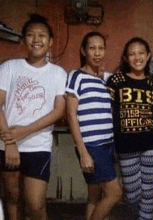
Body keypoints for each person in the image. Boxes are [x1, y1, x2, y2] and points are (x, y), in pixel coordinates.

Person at [0, 14, 67, 220]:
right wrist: (10, 142)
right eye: (30, 35)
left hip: (38, 146)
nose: (36, 39)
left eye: (41, 35)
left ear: (51, 41)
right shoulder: (9, 68)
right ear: (23, 40)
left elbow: (58, 111)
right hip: (7, 145)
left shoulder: (58, 73)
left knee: (35, 205)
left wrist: (24, 131)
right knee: (12, 198)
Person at [66, 31, 122, 220]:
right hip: (92, 146)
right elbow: (71, 115)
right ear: (84, 51)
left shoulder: (105, 79)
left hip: (107, 144)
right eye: (92, 48)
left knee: (94, 196)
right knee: (115, 193)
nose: (97, 53)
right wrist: (83, 152)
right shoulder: (76, 76)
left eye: (101, 48)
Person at [106, 37, 153, 220]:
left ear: (148, 56)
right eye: (132, 53)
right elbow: (108, 110)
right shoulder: (116, 81)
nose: (137, 57)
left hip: (151, 144)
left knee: (148, 191)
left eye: (141, 53)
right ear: (125, 58)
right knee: (132, 193)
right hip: (126, 144)